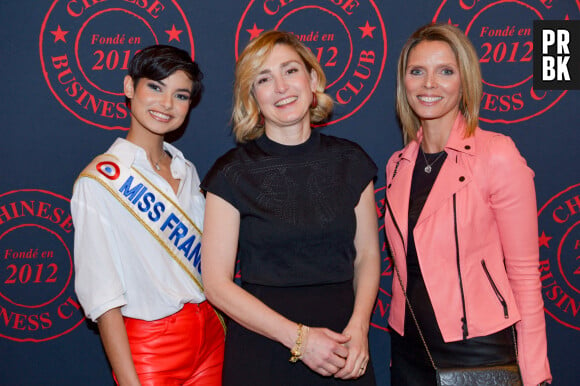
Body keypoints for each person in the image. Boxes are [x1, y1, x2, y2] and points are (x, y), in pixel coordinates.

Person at [200, 30, 380, 385]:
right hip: (263, 351)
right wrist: (301, 339)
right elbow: (216, 284)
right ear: (253, 96)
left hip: (344, 350)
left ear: (312, 79)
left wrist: (359, 329)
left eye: (290, 71)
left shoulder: (351, 161)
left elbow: (368, 256)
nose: (281, 87)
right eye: (264, 79)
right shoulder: (230, 173)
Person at [383, 23, 552, 385]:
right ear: (404, 83)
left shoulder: (497, 154)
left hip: (479, 350)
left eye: (445, 71)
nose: (429, 83)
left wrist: (536, 373)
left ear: (465, 82)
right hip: (410, 349)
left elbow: (524, 274)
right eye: (417, 71)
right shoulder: (398, 165)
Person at [71, 45, 225, 386]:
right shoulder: (99, 181)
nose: (166, 104)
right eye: (155, 87)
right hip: (152, 343)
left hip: (211, 334)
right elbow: (102, 297)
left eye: (180, 95)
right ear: (129, 87)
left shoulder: (188, 171)